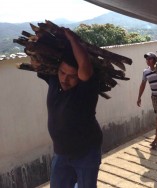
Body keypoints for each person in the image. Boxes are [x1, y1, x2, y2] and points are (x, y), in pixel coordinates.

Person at [33, 28, 103, 188]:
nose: (65, 79)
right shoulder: (54, 80)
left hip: (86, 153)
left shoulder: (87, 89)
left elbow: (84, 65)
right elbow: (38, 62)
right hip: (61, 154)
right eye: (62, 73)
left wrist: (72, 40)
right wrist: (41, 41)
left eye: (72, 76)